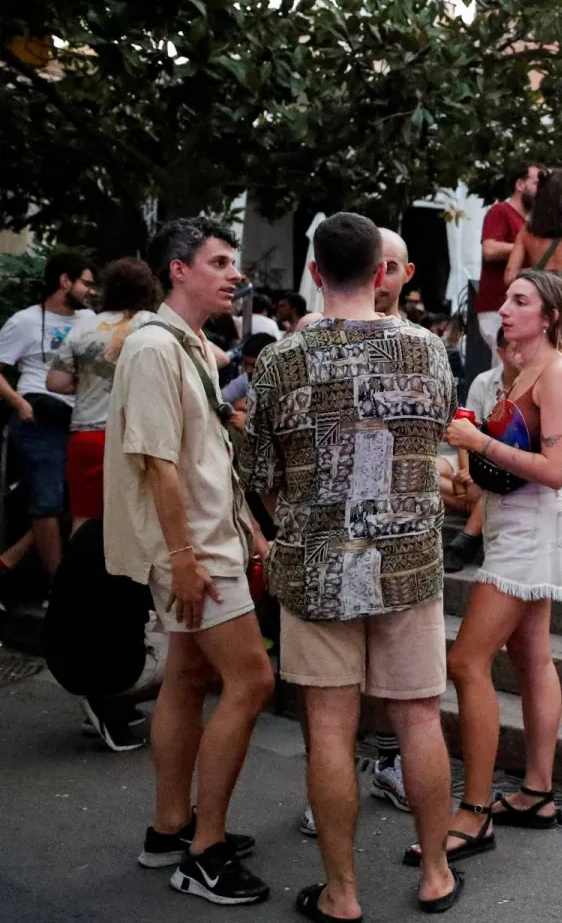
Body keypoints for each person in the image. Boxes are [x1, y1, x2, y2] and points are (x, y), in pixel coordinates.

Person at [239, 213, 461, 918]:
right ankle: (435, 875)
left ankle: (341, 893)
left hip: (317, 564)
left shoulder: (280, 360)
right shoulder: (428, 351)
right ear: (379, 273)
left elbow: (259, 474)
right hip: (407, 562)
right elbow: (433, 439)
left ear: (313, 272)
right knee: (419, 720)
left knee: (329, 730)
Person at [105, 218, 271, 905]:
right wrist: (182, 558)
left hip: (209, 539)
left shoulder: (193, 345)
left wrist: (249, 527)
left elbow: (203, 457)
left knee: (187, 673)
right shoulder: (152, 347)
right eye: (220, 262)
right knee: (253, 680)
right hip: (193, 549)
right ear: (179, 269)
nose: (235, 274)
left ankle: (169, 828)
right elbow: (156, 464)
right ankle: (204, 851)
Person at [430, 270, 562, 861]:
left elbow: (553, 470)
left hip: (533, 532)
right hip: (512, 527)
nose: (506, 308)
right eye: (506, 299)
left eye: (520, 301)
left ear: (547, 316)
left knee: (466, 661)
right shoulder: (524, 372)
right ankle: (538, 794)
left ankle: (473, 811)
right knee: (531, 655)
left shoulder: (561, 373)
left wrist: (476, 445)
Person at [0, 251, 96, 578]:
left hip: (79, 420)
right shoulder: (25, 321)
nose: (90, 291)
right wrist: (19, 403)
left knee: (73, 501)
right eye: (86, 283)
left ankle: (11, 560)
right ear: (64, 281)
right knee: (48, 502)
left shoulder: (90, 321)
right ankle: (58, 590)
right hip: (38, 418)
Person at [46, 258, 156, 533]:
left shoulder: (83, 328)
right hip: (134, 437)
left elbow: (55, 382)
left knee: (83, 520)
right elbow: (218, 358)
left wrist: (87, 383)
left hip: (86, 437)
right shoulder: (153, 325)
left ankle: (79, 575)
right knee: (133, 523)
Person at [443, 334, 523, 572]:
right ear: (501, 352)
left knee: (493, 483)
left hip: (502, 467)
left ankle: (470, 529)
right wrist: (467, 470)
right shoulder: (484, 381)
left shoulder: (533, 383)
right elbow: (464, 428)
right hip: (474, 457)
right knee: (425, 470)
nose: (521, 354)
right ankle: (477, 507)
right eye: (515, 349)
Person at [505, 169, 562, 359]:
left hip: (541, 302)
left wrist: (535, 273)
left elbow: (509, 276)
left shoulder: (528, 231)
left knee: (538, 358)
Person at [477, 159, 539, 349]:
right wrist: (526, 247)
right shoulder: (500, 211)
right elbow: (489, 250)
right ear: (520, 184)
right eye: (537, 184)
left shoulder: (531, 221)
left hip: (519, 308)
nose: (542, 191)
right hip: (497, 308)